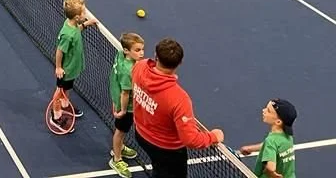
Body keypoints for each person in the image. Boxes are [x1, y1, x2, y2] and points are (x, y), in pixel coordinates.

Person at [132, 38, 225, 178]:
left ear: (156, 56)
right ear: (179, 63)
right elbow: (191, 140)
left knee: (159, 168)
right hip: (167, 151)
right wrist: (213, 137)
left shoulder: (140, 66)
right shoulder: (179, 99)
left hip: (141, 135)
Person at [52, 0, 97, 124]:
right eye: (84, 13)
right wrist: (59, 67)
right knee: (59, 92)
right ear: (77, 17)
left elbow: (77, 30)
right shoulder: (67, 34)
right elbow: (59, 51)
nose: (86, 14)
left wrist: (87, 24)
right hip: (66, 70)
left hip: (73, 68)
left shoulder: (72, 24)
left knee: (67, 89)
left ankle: (65, 106)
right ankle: (56, 115)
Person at [109, 33, 146, 178]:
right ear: (126, 50)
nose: (141, 53)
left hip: (116, 97)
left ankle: (120, 148)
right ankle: (116, 159)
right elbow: (125, 93)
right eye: (137, 50)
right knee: (120, 132)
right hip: (127, 107)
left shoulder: (120, 55)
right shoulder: (129, 71)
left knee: (121, 131)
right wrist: (123, 110)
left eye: (142, 49)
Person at [240, 100, 297, 178]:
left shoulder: (271, 141)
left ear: (278, 122)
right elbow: (272, 147)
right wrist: (251, 149)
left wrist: (271, 174)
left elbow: (271, 167)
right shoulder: (288, 137)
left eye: (268, 111)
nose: (264, 110)